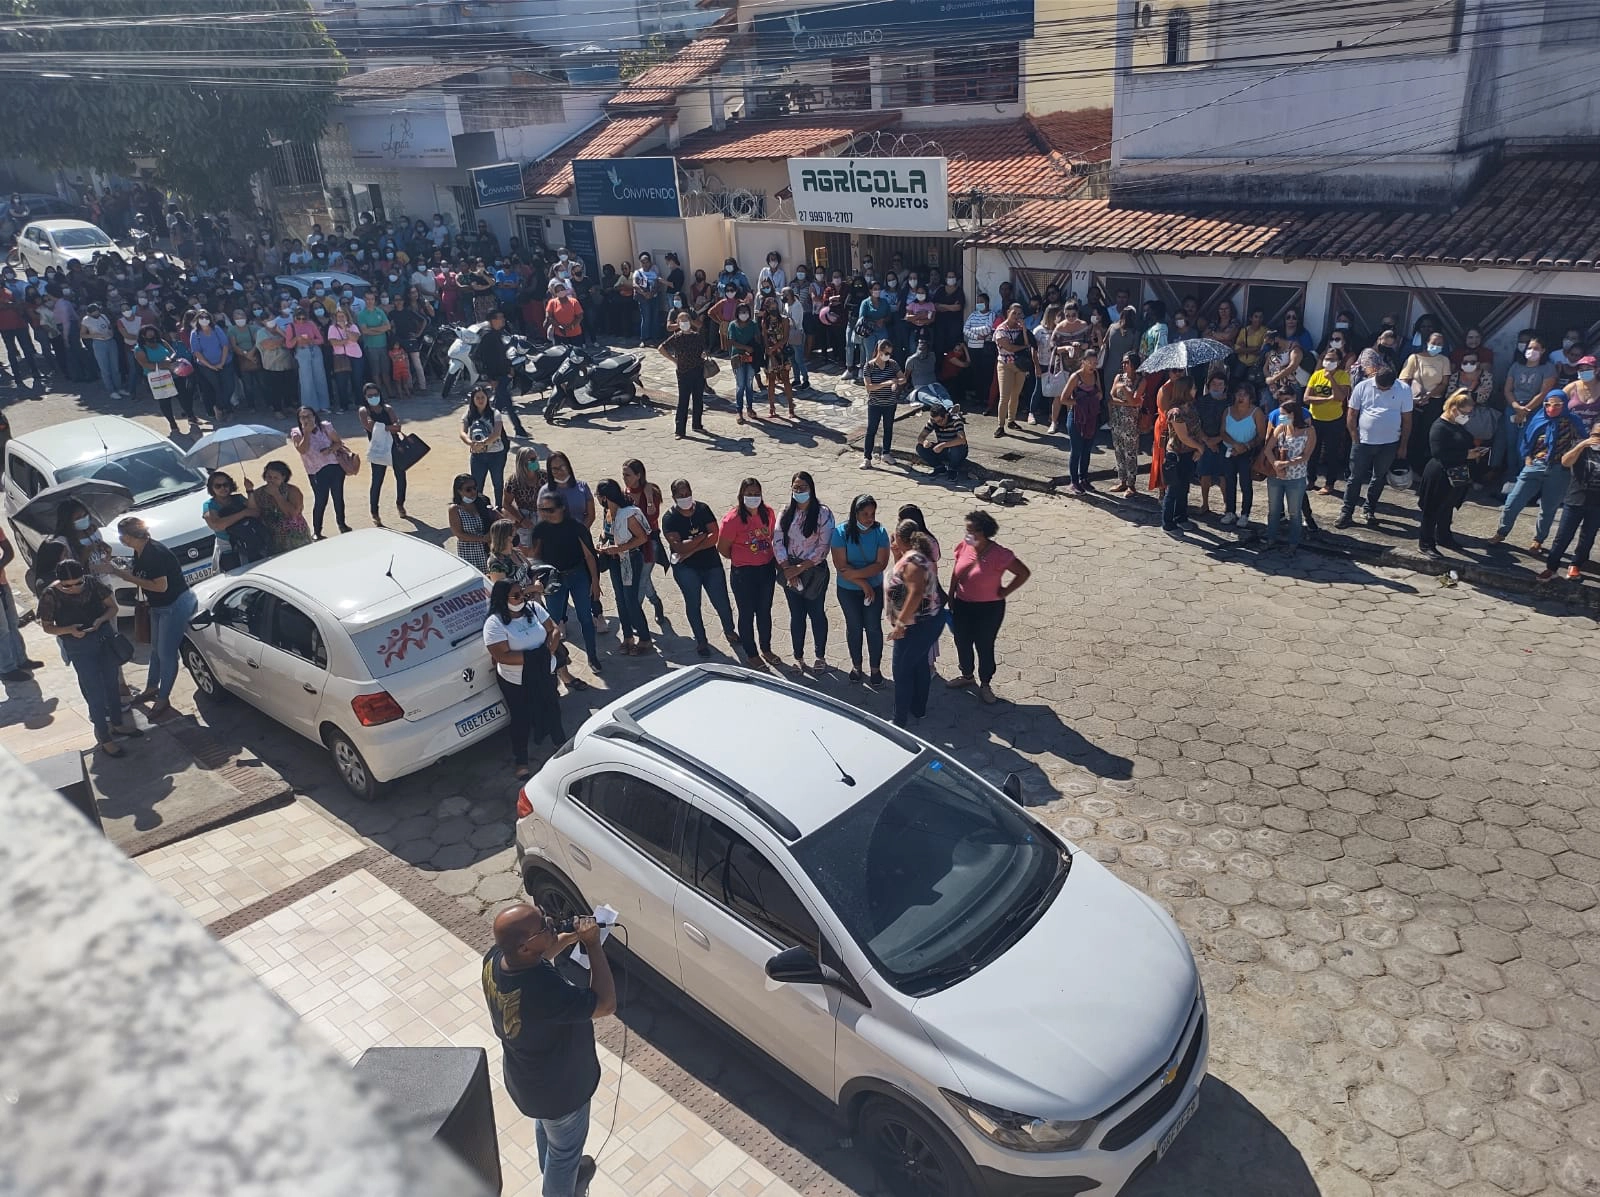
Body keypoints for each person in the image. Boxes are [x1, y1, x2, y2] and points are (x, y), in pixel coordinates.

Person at [482, 904, 613, 1197]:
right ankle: (559, 1184)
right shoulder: (544, 991)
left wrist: (565, 938)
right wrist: (592, 945)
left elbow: (540, 955)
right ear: (526, 946)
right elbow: (605, 1003)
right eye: (544, 925)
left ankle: (555, 1171)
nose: (551, 922)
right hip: (560, 1092)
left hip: (530, 1083)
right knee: (565, 1154)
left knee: (551, 1133)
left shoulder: (495, 959)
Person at [37, 560, 141, 757]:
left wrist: (101, 620)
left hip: (103, 638)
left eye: (78, 583)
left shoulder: (92, 584)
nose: (74, 588)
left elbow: (112, 607)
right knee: (94, 693)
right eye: (68, 585)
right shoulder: (50, 595)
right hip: (78, 647)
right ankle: (105, 737)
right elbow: (47, 626)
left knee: (112, 684)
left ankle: (118, 724)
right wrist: (69, 630)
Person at [105, 516, 195, 717]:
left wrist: (123, 575)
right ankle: (152, 688)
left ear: (130, 536)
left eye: (122, 535)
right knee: (156, 650)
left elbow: (160, 586)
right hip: (157, 606)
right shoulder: (139, 551)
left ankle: (163, 698)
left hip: (173, 605)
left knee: (166, 654)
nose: (121, 539)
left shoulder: (155, 553)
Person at [482, 579, 565, 780]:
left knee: (552, 706)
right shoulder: (494, 623)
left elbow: (553, 629)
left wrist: (548, 651)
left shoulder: (534, 609)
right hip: (516, 681)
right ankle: (521, 761)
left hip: (544, 673)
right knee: (521, 718)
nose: (522, 599)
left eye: (523, 594)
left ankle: (560, 744)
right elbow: (502, 656)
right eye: (516, 595)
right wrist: (534, 658)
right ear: (504, 599)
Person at [946, 509, 1030, 705]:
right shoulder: (964, 547)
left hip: (989, 609)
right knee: (962, 642)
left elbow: (1023, 573)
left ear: (982, 532)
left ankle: (985, 683)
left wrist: (1005, 591)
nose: (966, 535)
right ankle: (967, 675)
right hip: (962, 605)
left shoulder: (1000, 554)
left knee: (984, 645)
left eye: (970, 531)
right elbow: (956, 572)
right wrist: (951, 595)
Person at [1492, 389, 1586, 553]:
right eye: (1548, 404)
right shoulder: (1539, 417)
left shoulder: (1572, 421)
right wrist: (1527, 458)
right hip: (1536, 465)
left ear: (1564, 405)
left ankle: (1538, 540)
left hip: (1559, 469)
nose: (1551, 408)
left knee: (1548, 509)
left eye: (1557, 405)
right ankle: (1501, 532)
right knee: (1512, 502)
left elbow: (1581, 442)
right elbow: (1528, 438)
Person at [527, 491, 603, 674]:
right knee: (552, 623)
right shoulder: (539, 530)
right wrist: (537, 581)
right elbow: (535, 557)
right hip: (554, 579)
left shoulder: (576, 527)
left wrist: (595, 581)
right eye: (541, 509)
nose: (545, 513)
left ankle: (593, 657)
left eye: (550, 509)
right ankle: (558, 662)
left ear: (561, 508)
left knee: (586, 618)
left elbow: (589, 556)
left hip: (578, 576)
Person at [661, 478, 736, 657]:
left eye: (687, 494)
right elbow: (679, 547)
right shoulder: (669, 518)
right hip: (686, 568)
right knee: (693, 604)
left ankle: (730, 631)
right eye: (680, 495)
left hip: (711, 564)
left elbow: (715, 535)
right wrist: (702, 537)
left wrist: (693, 546)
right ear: (673, 497)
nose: (685, 498)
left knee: (722, 601)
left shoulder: (703, 509)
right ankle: (701, 640)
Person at [1336, 366, 1413, 530]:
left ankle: (1369, 509)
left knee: (1379, 477)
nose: (1381, 390)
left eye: (1385, 388)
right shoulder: (1362, 386)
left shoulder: (1404, 390)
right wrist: (1354, 436)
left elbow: (1407, 419)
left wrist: (1403, 445)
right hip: (1363, 442)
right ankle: (1346, 512)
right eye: (1379, 386)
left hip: (1389, 443)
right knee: (1354, 478)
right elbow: (1351, 413)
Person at [773, 471, 835, 672]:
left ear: (811, 489)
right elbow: (778, 540)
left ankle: (820, 656)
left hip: (813, 571)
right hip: (790, 569)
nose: (799, 491)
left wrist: (801, 568)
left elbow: (823, 546)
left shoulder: (823, 513)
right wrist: (787, 569)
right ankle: (798, 657)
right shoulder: (785, 512)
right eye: (796, 488)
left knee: (816, 613)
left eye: (803, 488)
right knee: (796, 615)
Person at [885, 519, 942, 729]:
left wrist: (900, 624)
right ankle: (919, 709)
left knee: (902, 671)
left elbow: (916, 593)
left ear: (901, 538)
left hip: (915, 625)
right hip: (926, 622)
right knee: (919, 665)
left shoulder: (913, 563)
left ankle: (899, 720)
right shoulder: (915, 556)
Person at [717, 477, 778, 665]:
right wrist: (741, 558)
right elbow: (722, 548)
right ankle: (751, 653)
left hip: (766, 570)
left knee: (764, 611)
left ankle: (766, 648)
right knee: (746, 613)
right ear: (741, 496)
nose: (753, 498)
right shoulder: (732, 519)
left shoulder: (767, 512)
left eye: (756, 494)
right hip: (743, 573)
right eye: (749, 494)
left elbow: (773, 536)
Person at [830, 494, 889, 685]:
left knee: (873, 628)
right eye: (865, 514)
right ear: (855, 513)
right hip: (848, 590)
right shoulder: (840, 532)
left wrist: (857, 576)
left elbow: (881, 564)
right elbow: (841, 566)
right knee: (854, 627)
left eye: (872, 514)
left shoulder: (880, 532)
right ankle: (857, 666)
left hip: (875, 588)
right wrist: (864, 583)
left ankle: (875, 669)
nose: (869, 519)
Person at [1418, 390, 1484, 557]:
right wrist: (1466, 455)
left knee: (1447, 507)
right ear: (1454, 408)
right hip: (1440, 473)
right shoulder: (1439, 427)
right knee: (1432, 509)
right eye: (1465, 412)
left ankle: (1444, 536)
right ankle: (1426, 543)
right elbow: (1438, 453)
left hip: (1457, 473)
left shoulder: (1457, 425)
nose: (1467, 416)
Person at [593, 478, 653, 657]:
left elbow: (642, 538)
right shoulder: (607, 512)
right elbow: (606, 532)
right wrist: (602, 542)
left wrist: (618, 548)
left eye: (598, 495)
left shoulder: (627, 514)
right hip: (613, 561)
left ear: (604, 497)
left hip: (629, 560)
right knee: (620, 599)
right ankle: (628, 637)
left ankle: (645, 638)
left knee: (631, 601)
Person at [1538, 424, 1600, 582]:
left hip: (1597, 502)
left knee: (1588, 537)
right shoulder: (1580, 447)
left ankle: (1576, 565)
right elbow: (1565, 462)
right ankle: (1551, 567)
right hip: (1575, 498)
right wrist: (1581, 445)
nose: (1597, 439)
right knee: (1563, 535)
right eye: (1595, 435)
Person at [1263, 397, 1316, 553]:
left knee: (1294, 512)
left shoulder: (1309, 431)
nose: (1281, 417)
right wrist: (1275, 465)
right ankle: (1270, 539)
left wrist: (1287, 464)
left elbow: (1306, 456)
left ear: (1293, 414)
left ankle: (1293, 544)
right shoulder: (1281, 428)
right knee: (1273, 510)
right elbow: (1267, 449)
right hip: (1277, 476)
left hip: (1296, 478)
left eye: (1284, 414)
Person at [290, 405, 350, 539]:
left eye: (308, 416)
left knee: (338, 496)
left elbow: (338, 442)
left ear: (314, 416)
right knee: (320, 500)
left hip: (334, 466)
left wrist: (329, 450)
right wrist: (306, 432)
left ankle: (342, 524)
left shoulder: (325, 427)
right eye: (302, 417)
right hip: (316, 471)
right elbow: (302, 450)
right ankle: (317, 531)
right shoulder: (296, 433)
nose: (306, 419)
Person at [621, 458, 666, 626]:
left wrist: (647, 499)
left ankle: (635, 616)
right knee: (643, 578)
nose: (624, 478)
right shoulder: (624, 493)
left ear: (638, 475)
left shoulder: (651, 492)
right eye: (623, 474)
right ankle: (656, 602)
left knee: (640, 579)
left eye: (628, 475)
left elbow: (652, 518)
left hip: (649, 543)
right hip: (631, 543)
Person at [1399, 330, 1452, 474]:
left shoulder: (1444, 360)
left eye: (1440, 344)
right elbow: (1404, 380)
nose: (1436, 346)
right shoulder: (1414, 358)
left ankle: (1419, 466)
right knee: (1410, 432)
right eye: (1434, 343)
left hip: (1434, 401)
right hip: (1413, 401)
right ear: (1427, 343)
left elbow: (1444, 382)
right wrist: (1411, 397)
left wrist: (1429, 395)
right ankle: (1404, 463)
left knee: (1426, 434)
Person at [1303, 346, 1352, 495]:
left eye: (1332, 360)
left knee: (1332, 453)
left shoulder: (1343, 376)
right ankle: (1310, 480)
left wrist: (1331, 378)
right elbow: (1306, 398)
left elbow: (1340, 397)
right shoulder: (1316, 375)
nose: (1328, 362)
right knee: (1312, 451)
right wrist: (1326, 399)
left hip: (1334, 420)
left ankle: (1329, 483)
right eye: (1326, 359)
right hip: (1315, 419)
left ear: (1339, 361)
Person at [1160, 377, 1205, 534]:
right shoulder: (1175, 413)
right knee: (1173, 490)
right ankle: (1168, 522)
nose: (1195, 390)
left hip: (1189, 454)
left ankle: (1181, 517)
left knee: (1184, 488)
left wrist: (1199, 449)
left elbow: (1197, 430)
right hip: (1176, 454)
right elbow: (1183, 437)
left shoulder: (1192, 408)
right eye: (1193, 387)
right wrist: (1200, 448)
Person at [1219, 382, 1267, 529]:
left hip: (1247, 454)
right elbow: (1222, 432)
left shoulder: (1256, 412)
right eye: (1238, 393)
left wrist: (1246, 446)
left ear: (1250, 397)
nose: (1241, 397)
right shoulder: (1227, 411)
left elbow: (1261, 435)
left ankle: (1245, 514)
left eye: (1244, 394)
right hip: (1229, 450)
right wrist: (1235, 445)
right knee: (1229, 482)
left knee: (1245, 484)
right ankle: (1230, 511)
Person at [0, 524, 44, 683]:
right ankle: (7, 668)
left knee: (12, 623)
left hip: (2, 583)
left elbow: (9, 551)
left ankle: (20, 660)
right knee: (1, 630)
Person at [134, 324, 195, 437]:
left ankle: (191, 416)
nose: (152, 337)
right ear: (143, 336)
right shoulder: (139, 349)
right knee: (164, 401)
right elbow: (145, 364)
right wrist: (162, 364)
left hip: (172, 374)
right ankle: (172, 423)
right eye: (149, 335)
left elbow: (173, 352)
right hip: (156, 378)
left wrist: (170, 359)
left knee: (183, 396)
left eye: (153, 334)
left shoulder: (161, 342)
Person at [359, 382, 406, 524]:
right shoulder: (363, 410)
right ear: (365, 397)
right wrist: (389, 427)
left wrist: (383, 427)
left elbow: (397, 428)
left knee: (401, 477)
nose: (373, 397)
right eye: (370, 395)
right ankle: (374, 512)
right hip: (378, 449)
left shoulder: (387, 408)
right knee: (377, 480)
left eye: (376, 394)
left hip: (394, 447)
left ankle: (400, 504)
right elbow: (369, 426)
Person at [201, 471, 268, 570]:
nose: (223, 488)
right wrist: (243, 513)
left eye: (225, 484)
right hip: (229, 550)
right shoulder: (209, 505)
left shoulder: (238, 498)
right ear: (211, 488)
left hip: (250, 544)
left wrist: (250, 491)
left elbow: (255, 513)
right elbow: (217, 525)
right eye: (218, 486)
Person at [479, 309, 530, 437]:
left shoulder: (498, 334)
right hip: (496, 376)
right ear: (493, 320)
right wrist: (491, 378)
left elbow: (502, 355)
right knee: (508, 404)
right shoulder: (488, 336)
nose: (503, 320)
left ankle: (486, 426)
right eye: (500, 317)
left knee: (498, 405)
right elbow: (483, 359)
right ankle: (519, 430)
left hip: (503, 374)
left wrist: (509, 368)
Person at [659, 309, 708, 439]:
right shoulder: (676, 337)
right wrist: (674, 360)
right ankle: (680, 430)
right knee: (683, 400)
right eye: (682, 321)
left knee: (698, 399)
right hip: (683, 371)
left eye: (686, 320)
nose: (685, 323)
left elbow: (703, 350)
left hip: (697, 369)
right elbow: (661, 348)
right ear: (678, 323)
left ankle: (697, 425)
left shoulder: (697, 336)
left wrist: (703, 355)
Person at [248, 459, 313, 555]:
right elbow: (253, 512)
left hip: (295, 537)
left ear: (283, 477)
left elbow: (293, 513)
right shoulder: (259, 493)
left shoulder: (292, 490)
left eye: (276, 478)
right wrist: (250, 491)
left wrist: (277, 495)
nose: (271, 480)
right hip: (273, 538)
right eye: (269, 477)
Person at [462, 384, 509, 509]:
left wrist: (482, 443)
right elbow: (462, 432)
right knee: (477, 485)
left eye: (482, 397)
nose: (480, 400)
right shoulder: (469, 414)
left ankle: (499, 508)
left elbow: (497, 433)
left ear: (487, 398)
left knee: (498, 483)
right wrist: (471, 443)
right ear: (473, 399)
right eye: (477, 398)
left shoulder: (495, 413)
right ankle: (480, 508)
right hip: (477, 455)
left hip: (496, 455)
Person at [1064, 349, 1103, 495]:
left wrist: (1096, 397)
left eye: (1095, 363)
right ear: (1083, 362)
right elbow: (1063, 398)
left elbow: (1100, 393)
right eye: (1090, 363)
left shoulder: (1096, 374)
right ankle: (1073, 481)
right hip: (1076, 418)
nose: (1093, 366)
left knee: (1087, 449)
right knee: (1076, 450)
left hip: (1090, 418)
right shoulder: (1076, 377)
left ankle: (1083, 479)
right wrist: (1080, 402)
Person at [861, 337, 901, 468]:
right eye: (886, 353)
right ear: (879, 351)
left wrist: (896, 381)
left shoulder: (893, 364)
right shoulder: (869, 366)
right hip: (875, 404)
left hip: (890, 403)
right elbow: (869, 387)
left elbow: (903, 377)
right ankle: (867, 458)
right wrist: (886, 383)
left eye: (890, 353)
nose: (888, 356)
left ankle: (886, 453)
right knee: (871, 430)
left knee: (888, 428)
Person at [1107, 351, 1143, 495]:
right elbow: (1111, 398)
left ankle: (1131, 484)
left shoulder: (1141, 381)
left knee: (1131, 453)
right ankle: (1122, 480)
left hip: (1131, 423)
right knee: (1119, 451)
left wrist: (1123, 389)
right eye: (1123, 362)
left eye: (1127, 362)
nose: (1124, 365)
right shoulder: (1118, 377)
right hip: (1117, 420)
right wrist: (1127, 402)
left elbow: (1135, 401)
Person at [283, 303, 329, 410]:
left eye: (303, 318)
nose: (301, 321)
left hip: (314, 350)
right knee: (306, 380)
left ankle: (324, 405)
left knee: (320, 378)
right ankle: (310, 407)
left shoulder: (311, 324)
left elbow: (321, 340)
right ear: (294, 317)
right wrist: (297, 339)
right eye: (298, 318)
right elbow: (289, 344)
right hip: (302, 352)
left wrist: (310, 340)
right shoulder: (291, 327)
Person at [449, 473, 497, 573]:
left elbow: (496, 518)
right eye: (468, 489)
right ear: (459, 491)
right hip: (469, 552)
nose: (473, 492)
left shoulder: (482, 502)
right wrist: (482, 539)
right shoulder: (455, 509)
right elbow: (459, 534)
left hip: (488, 550)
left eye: (475, 488)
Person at [993, 304, 1030, 435]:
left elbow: (1028, 342)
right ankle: (1000, 425)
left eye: (1019, 314)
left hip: (1020, 365)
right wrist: (1024, 347)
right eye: (1014, 313)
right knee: (1004, 396)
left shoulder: (1020, 328)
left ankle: (1011, 420)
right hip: (1005, 365)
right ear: (1008, 312)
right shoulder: (1001, 329)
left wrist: (1024, 329)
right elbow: (1009, 347)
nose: (1016, 316)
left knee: (1016, 394)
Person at [81, 301, 125, 398]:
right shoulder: (86, 320)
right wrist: (93, 335)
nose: (96, 313)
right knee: (104, 368)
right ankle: (111, 390)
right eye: (94, 312)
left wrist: (111, 333)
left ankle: (119, 387)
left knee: (115, 367)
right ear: (89, 313)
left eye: (97, 311)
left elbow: (109, 327)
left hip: (110, 341)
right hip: (99, 343)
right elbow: (82, 334)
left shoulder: (103, 316)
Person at [915, 402, 968, 480]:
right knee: (920, 447)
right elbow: (921, 437)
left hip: (956, 450)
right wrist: (924, 442)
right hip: (942, 450)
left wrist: (943, 445)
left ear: (946, 415)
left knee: (956, 449)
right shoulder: (933, 421)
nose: (938, 423)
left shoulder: (956, 420)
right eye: (936, 421)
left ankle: (952, 469)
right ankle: (939, 468)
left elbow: (962, 440)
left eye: (940, 421)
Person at [727, 303, 759, 424]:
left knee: (749, 384)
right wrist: (745, 347)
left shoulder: (753, 325)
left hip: (751, 358)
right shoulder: (733, 325)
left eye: (746, 311)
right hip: (738, 358)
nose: (743, 314)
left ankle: (749, 408)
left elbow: (757, 338)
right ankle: (739, 411)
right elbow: (731, 341)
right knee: (740, 385)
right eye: (741, 312)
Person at [325, 307, 363, 411]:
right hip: (340, 357)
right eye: (339, 316)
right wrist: (345, 340)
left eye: (343, 316)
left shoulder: (353, 326)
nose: (341, 318)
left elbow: (355, 338)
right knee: (341, 382)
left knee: (357, 380)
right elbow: (333, 342)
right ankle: (344, 405)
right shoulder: (332, 328)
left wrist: (346, 328)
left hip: (355, 355)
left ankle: (359, 402)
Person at [631, 252, 662, 346]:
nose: (644, 264)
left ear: (649, 262)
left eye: (646, 262)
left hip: (653, 297)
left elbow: (657, 284)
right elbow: (634, 285)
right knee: (646, 317)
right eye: (642, 262)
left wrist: (651, 294)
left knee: (655, 317)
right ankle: (644, 338)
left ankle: (655, 337)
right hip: (643, 298)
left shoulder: (653, 273)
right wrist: (644, 293)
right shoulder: (638, 273)